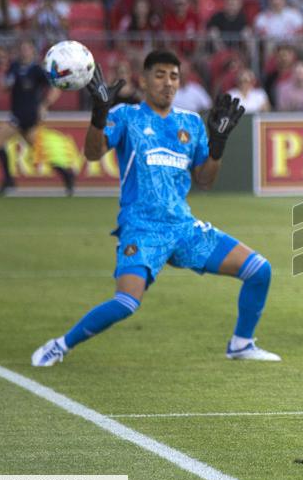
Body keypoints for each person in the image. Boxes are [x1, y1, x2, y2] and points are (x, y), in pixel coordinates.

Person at [31, 51, 281, 366]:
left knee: (260, 270)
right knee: (125, 302)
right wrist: (98, 114)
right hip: (143, 227)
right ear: (145, 79)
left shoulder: (190, 122)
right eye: (160, 75)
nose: (168, 83)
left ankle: (241, 344)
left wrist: (217, 146)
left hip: (183, 228)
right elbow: (93, 153)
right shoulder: (126, 116)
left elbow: (205, 180)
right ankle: (61, 345)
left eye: (174, 76)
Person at [0, 40, 65, 195]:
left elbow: (56, 87)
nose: (24, 51)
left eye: (27, 48)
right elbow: (5, 87)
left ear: (33, 51)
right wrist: (1, 72)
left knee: (0, 141)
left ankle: (8, 180)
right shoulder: (14, 67)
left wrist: (45, 105)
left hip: (29, 115)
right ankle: (66, 174)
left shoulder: (37, 70)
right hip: (17, 114)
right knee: (35, 150)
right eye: (22, 48)